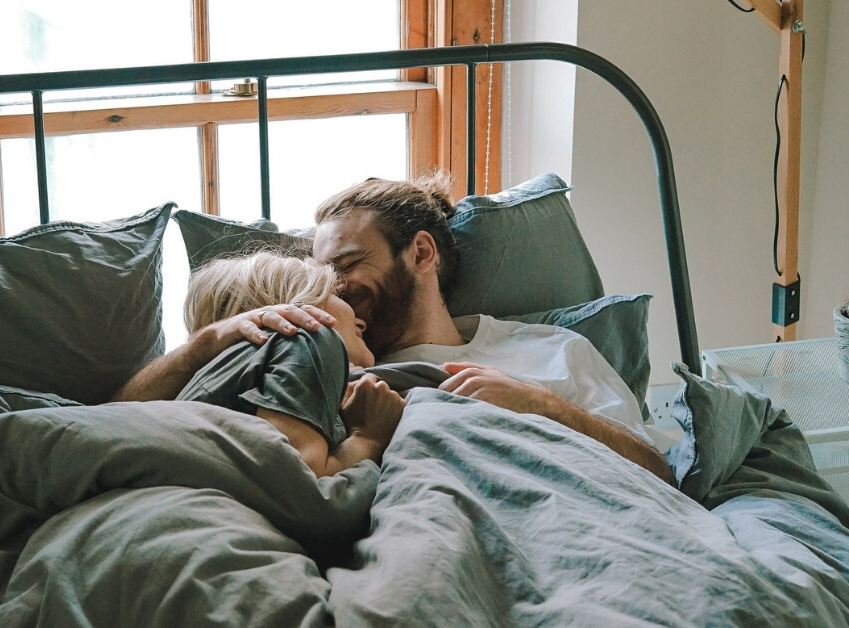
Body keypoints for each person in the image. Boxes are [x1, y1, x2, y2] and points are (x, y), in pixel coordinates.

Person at [311, 173, 676, 486]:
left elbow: (659, 474)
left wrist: (541, 404)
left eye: (347, 265)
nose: (334, 288)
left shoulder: (554, 349)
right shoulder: (333, 366)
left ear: (422, 253)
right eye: (324, 277)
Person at [119, 251, 405, 479]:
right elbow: (304, 486)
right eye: (338, 297)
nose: (360, 319)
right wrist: (368, 438)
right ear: (295, 305)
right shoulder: (304, 340)